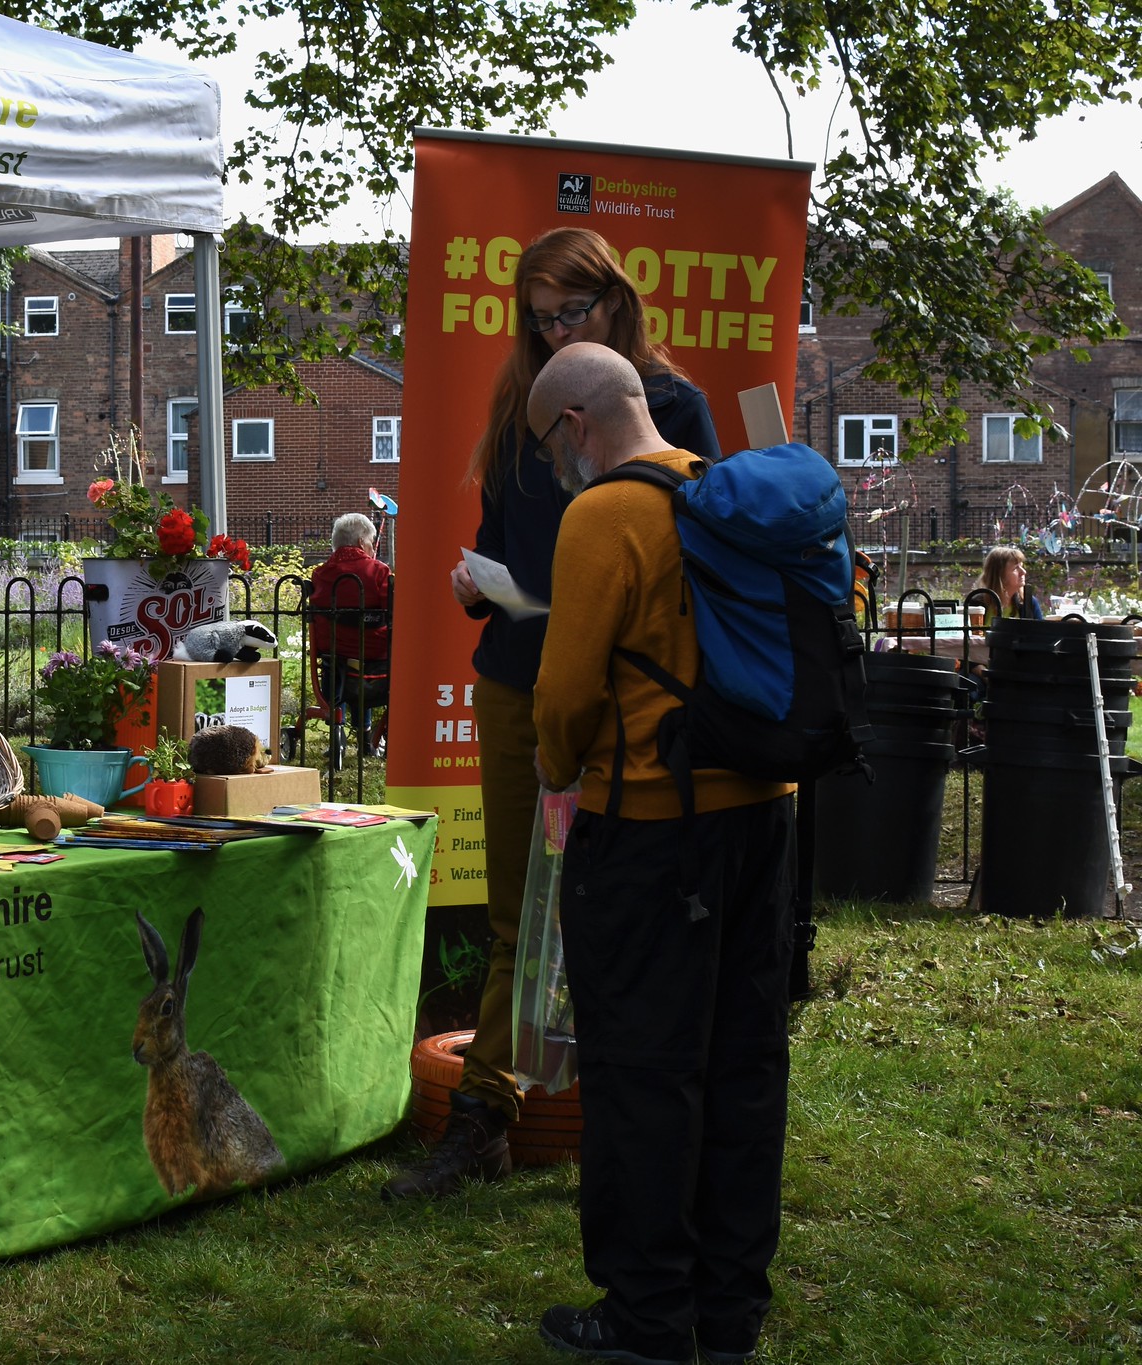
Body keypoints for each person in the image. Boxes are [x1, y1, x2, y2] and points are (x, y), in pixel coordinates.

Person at [388, 226, 721, 1198]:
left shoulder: (666, 404)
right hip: (516, 676)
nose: (550, 332)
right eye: (535, 320)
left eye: (568, 313)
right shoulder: (518, 403)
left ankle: (620, 1128)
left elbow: (691, 558)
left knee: (621, 912)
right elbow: (501, 537)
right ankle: (483, 1120)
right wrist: (483, 587)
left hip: (624, 697)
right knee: (512, 915)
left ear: (615, 301)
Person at [527, 343, 795, 1365]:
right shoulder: (725, 493)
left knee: (643, 1077)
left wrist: (563, 773)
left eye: (545, 443)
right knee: (740, 1065)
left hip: (645, 825)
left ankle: (644, 1321)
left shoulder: (600, 516)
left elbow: (561, 701)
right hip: (760, 816)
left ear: (573, 428)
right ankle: (727, 1316)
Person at [308, 512, 392, 742]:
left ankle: (337, 725)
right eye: (371, 542)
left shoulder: (320, 574)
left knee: (336, 661)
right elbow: (392, 613)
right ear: (360, 542)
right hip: (373, 654)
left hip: (333, 652)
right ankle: (365, 732)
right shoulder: (379, 571)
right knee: (360, 655)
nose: (373, 547)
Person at [978, 545, 1044, 620]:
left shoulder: (1029, 603)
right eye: (1016, 568)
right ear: (1000, 574)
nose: (1024, 572)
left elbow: (1041, 631)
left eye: (1022, 566)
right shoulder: (977, 603)